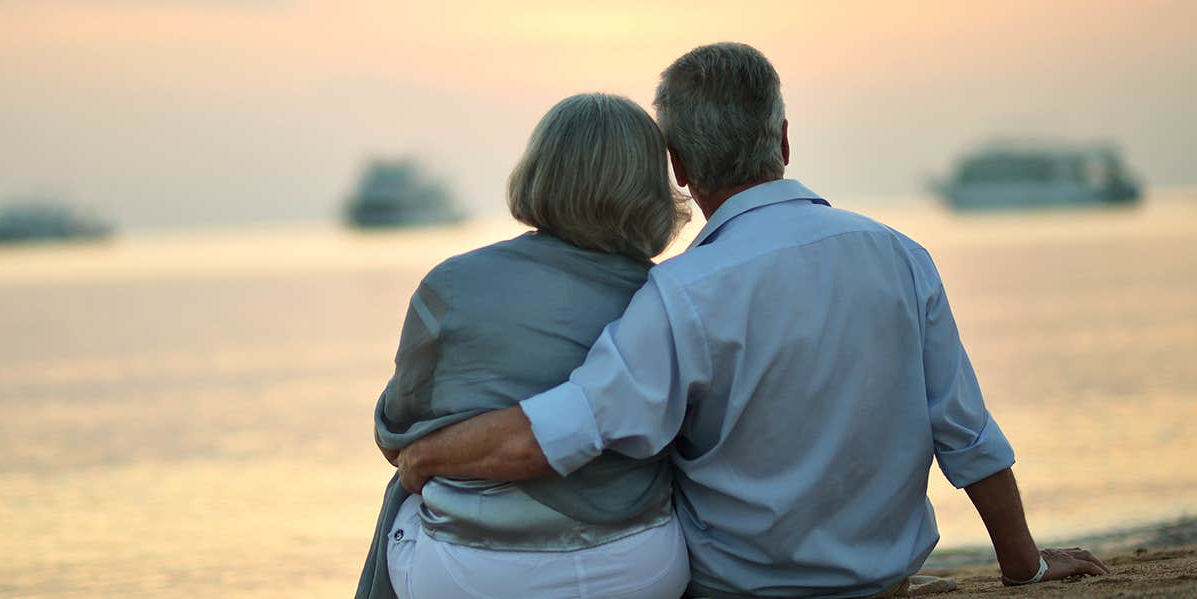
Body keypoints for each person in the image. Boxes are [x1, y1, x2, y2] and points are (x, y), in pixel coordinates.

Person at [394, 43, 1111, 598]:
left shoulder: (680, 293)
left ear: (678, 167)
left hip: (741, 585)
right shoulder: (900, 255)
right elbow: (966, 431)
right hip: (880, 576)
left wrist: (427, 455)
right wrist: (1026, 564)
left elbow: (565, 431)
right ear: (785, 139)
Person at [354, 93, 692, 599]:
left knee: (402, 496)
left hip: (472, 576)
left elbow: (392, 438)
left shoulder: (450, 286)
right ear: (652, 190)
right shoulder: (669, 296)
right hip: (638, 570)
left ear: (538, 171)